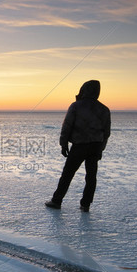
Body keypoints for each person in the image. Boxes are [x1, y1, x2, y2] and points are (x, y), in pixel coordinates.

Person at [46, 80, 111, 212]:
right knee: (91, 176)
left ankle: (57, 200)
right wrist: (101, 148)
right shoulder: (104, 109)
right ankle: (85, 205)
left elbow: (67, 126)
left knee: (68, 174)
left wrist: (63, 144)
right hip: (95, 146)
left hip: (79, 145)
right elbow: (106, 132)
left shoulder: (76, 106)